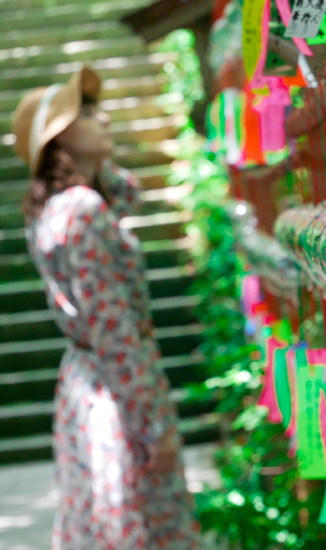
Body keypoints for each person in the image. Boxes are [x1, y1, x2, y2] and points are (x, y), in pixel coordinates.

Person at [12, 67, 200, 550]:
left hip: (89, 382)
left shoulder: (60, 206)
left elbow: (127, 192)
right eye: (87, 114)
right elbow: (113, 329)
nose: (105, 119)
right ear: (60, 140)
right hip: (116, 392)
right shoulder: (83, 211)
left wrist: (91, 165)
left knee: (102, 523)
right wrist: (153, 423)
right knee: (140, 523)